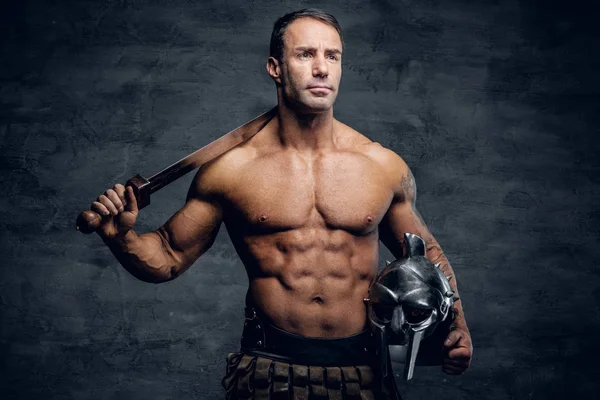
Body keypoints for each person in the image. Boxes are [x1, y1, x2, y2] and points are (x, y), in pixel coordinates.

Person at [90, 8, 472, 399]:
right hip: (269, 368)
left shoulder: (381, 166)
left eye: (333, 56)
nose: (322, 68)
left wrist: (456, 324)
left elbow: (427, 255)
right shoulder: (232, 170)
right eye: (305, 54)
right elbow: (168, 256)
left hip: (363, 369)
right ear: (275, 68)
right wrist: (120, 237)